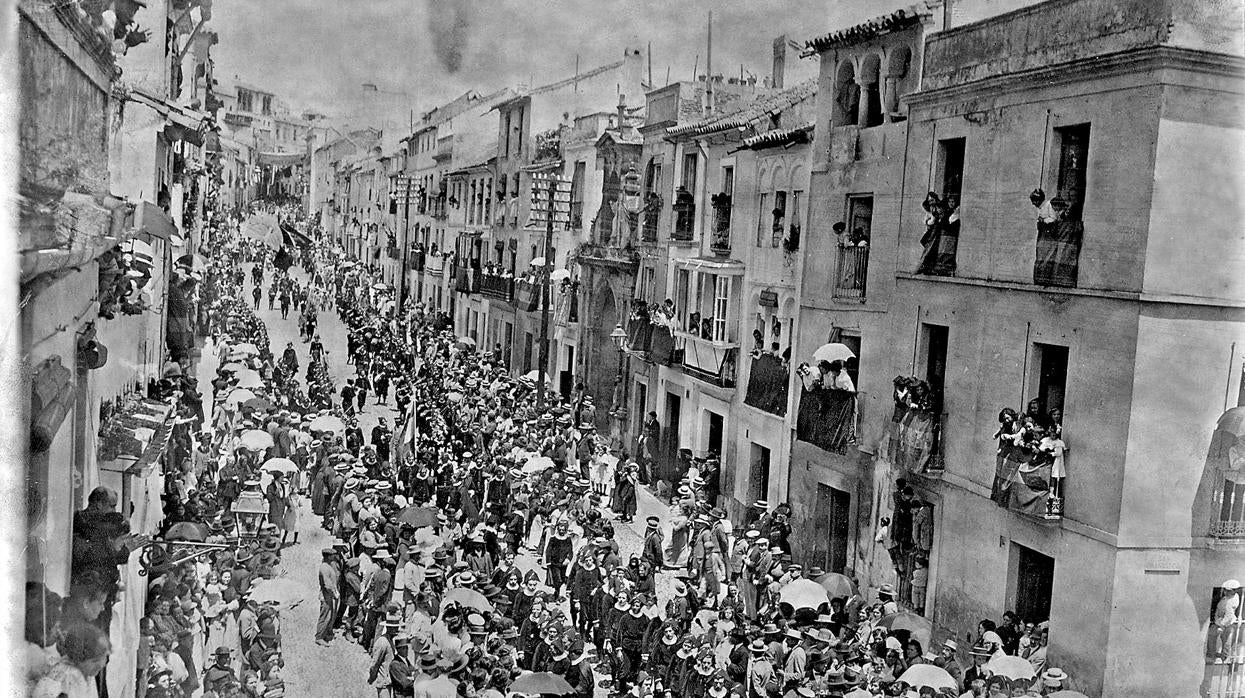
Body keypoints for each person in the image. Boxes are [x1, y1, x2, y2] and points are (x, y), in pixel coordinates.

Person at [32, 622, 111, 698]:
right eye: (95, 661)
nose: (101, 664)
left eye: (104, 657)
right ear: (77, 658)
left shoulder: (86, 673)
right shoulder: (66, 674)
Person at [317, 547, 340, 646]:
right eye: (332, 555)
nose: (334, 556)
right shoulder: (325, 568)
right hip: (326, 595)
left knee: (329, 615)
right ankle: (319, 637)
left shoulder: (327, 565)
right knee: (324, 616)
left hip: (329, 595)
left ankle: (325, 633)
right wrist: (334, 594)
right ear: (328, 556)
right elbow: (327, 585)